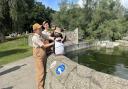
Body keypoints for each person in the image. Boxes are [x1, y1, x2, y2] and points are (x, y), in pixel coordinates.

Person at [32, 23, 54, 89]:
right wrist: (53, 43)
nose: (41, 29)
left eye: (41, 28)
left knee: (43, 71)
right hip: (38, 55)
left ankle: (42, 85)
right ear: (35, 30)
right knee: (40, 72)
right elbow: (43, 46)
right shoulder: (35, 38)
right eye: (39, 28)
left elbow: (47, 37)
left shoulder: (41, 34)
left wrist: (54, 38)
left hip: (43, 54)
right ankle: (40, 87)